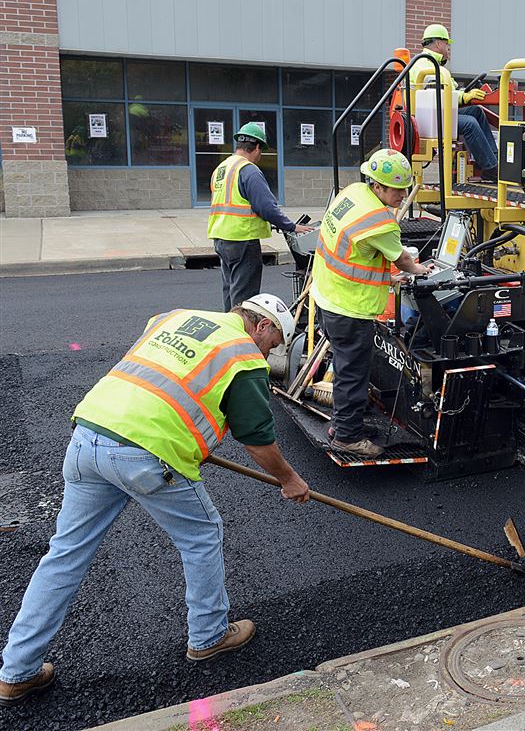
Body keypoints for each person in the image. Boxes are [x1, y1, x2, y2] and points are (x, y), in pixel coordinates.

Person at [0, 294, 311, 705]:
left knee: (65, 553)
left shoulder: (176, 316)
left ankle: (16, 671)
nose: (268, 353)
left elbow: (167, 378)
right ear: (263, 327)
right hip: (145, 455)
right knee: (202, 535)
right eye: (272, 345)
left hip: (88, 435)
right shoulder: (243, 355)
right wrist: (289, 480)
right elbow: (256, 438)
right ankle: (209, 635)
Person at [311, 149, 430, 458]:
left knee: (344, 367)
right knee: (353, 375)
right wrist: (418, 270)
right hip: (349, 309)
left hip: (327, 297)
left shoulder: (352, 194)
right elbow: (402, 259)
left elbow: (356, 255)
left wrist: (387, 279)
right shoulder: (381, 223)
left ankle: (343, 424)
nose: (403, 195)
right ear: (377, 186)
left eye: (405, 188)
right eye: (396, 189)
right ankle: (348, 438)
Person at [207, 122, 315, 310]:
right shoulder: (248, 170)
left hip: (221, 238)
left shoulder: (221, 169)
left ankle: (230, 330)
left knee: (230, 290)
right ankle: (242, 334)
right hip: (243, 240)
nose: (260, 155)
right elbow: (266, 207)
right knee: (244, 298)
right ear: (256, 147)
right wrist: (292, 226)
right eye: (261, 150)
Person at [408, 24, 498, 182]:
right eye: (447, 44)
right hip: (429, 120)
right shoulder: (427, 67)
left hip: (435, 114)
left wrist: (466, 94)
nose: (448, 49)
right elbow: (439, 94)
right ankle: (491, 169)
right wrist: (464, 97)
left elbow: (451, 90)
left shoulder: (431, 65)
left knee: (476, 111)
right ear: (438, 44)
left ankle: (494, 160)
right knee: (470, 123)